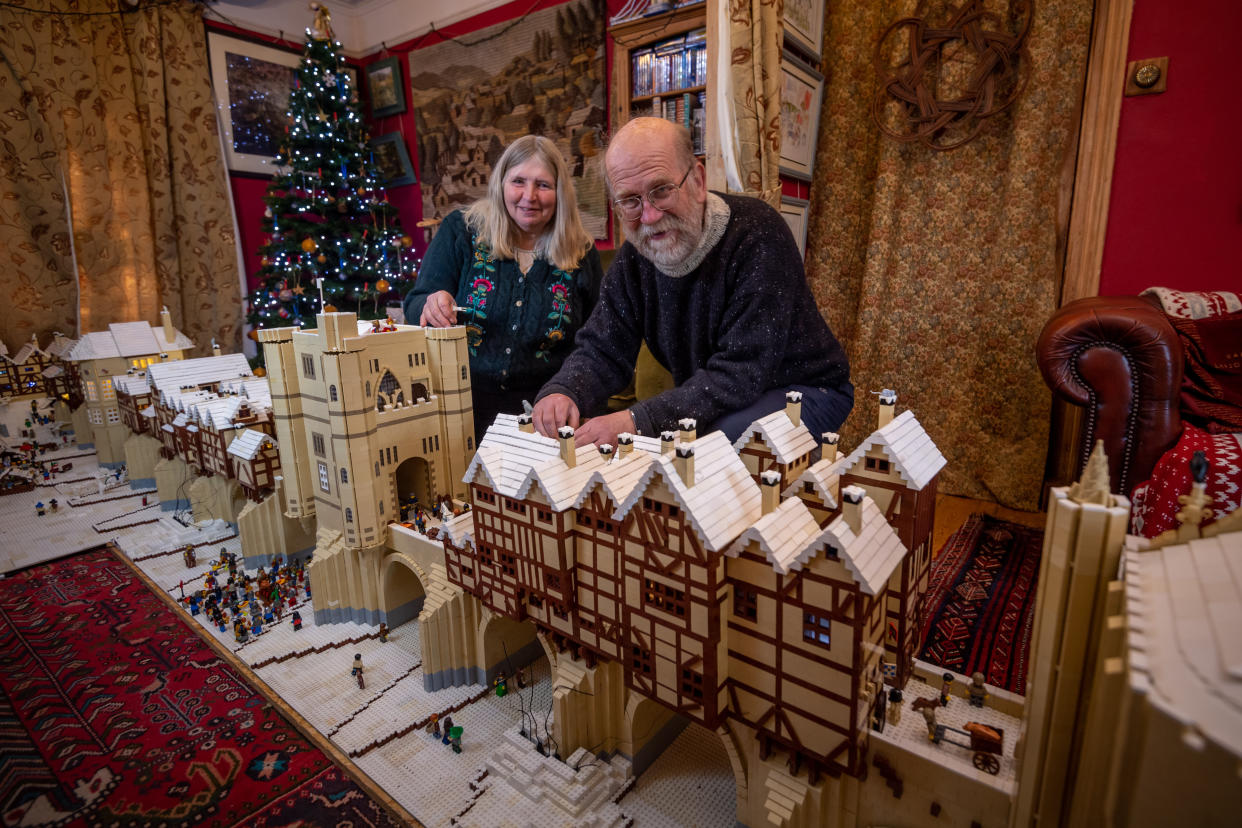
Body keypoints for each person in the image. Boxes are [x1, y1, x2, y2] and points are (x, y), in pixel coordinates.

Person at [532, 117, 852, 446]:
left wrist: (636, 420)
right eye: (630, 200)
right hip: (732, 393)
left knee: (705, 457)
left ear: (698, 180)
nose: (650, 216)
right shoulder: (634, 259)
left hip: (805, 390)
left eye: (661, 190)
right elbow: (603, 347)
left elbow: (740, 372)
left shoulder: (758, 235)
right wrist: (565, 390)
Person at [404, 135, 603, 444]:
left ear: (560, 192)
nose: (529, 196)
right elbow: (415, 304)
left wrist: (575, 396)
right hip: (460, 412)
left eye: (543, 185)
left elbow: (597, 343)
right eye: (518, 181)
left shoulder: (581, 253)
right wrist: (431, 303)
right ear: (501, 184)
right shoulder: (462, 231)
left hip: (544, 421)